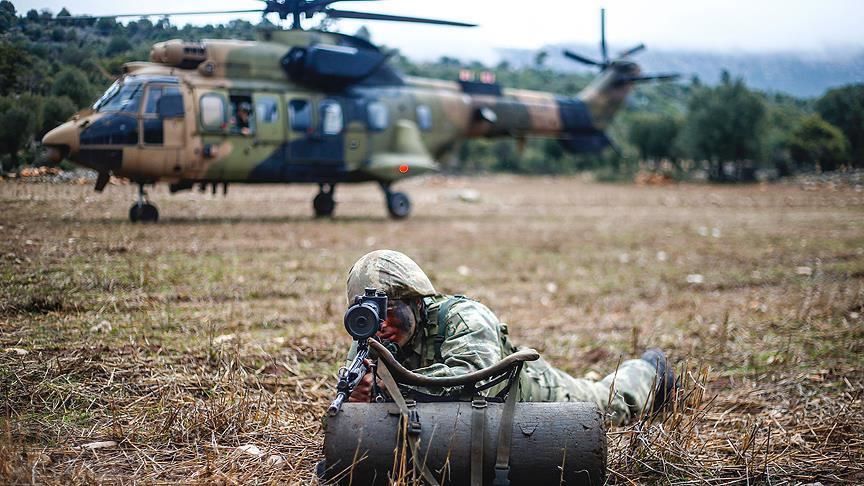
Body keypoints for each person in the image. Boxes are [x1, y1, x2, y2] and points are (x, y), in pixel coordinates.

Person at [345, 249, 677, 425]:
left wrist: (389, 387)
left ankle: (649, 371)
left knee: (607, 404)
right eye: (370, 314)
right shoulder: (369, 341)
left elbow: (471, 380)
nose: (381, 325)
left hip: (527, 393)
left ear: (417, 301)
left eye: (389, 310)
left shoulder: (463, 316)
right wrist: (357, 405)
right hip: (473, 420)